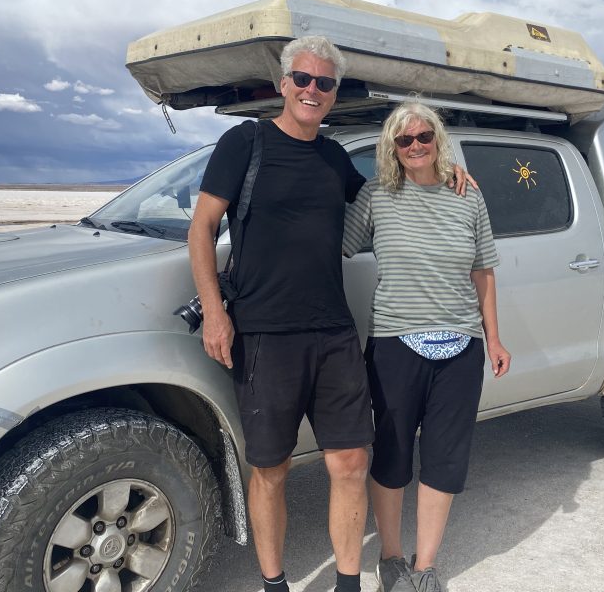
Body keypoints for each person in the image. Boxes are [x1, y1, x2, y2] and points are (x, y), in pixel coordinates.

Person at [188, 36, 372, 592]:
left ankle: (347, 583)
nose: (313, 90)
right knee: (271, 469)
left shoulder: (334, 157)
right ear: (284, 83)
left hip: (334, 332)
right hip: (265, 334)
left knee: (350, 463)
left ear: (334, 93)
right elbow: (201, 230)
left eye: (325, 83)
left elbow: (386, 197)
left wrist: (447, 173)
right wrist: (215, 313)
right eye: (304, 79)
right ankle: (274, 584)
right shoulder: (245, 143)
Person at [342, 101, 511, 592]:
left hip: (461, 347)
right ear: (392, 147)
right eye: (404, 139)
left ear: (438, 138)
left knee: (445, 458)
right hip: (395, 344)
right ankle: (391, 558)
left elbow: (483, 271)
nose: (415, 145)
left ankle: (426, 566)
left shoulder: (467, 195)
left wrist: (494, 337)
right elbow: (337, 245)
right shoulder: (377, 195)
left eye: (424, 136)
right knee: (392, 454)